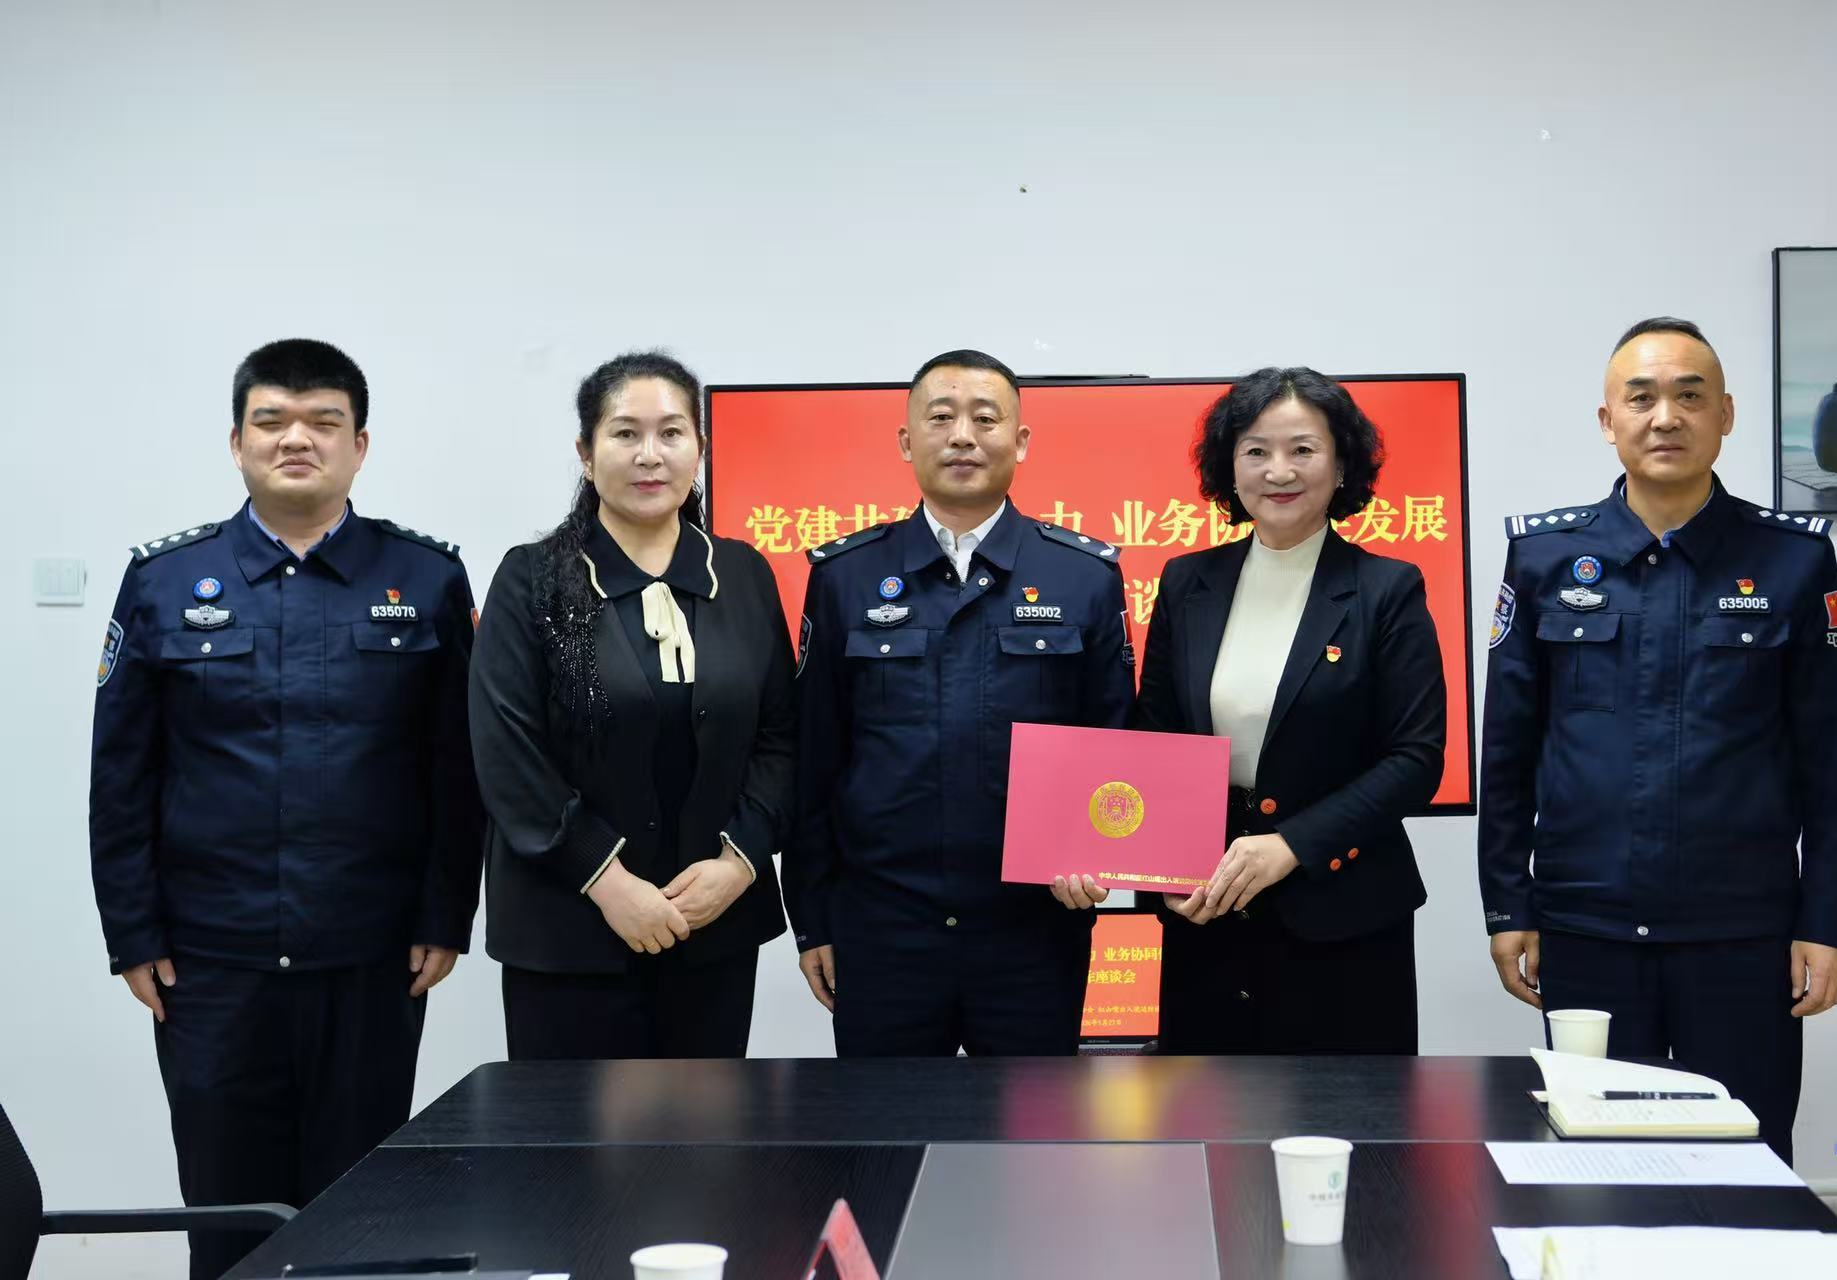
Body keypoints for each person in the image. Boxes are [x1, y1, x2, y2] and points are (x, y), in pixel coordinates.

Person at [88, 338, 480, 1280]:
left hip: (371, 957)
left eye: (323, 422)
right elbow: (121, 774)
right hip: (210, 965)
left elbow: (457, 770)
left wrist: (444, 915)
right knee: (228, 1213)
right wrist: (133, 934)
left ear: (360, 445)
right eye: (271, 421)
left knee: (360, 1216)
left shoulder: (426, 578)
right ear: (237, 442)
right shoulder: (164, 581)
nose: (295, 439)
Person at [1475, 316, 1837, 1163]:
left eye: (1690, 397)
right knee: (1596, 1167)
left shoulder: (1793, 560)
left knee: (1748, 1165)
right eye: (1641, 397)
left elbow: (1835, 762)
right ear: (1607, 419)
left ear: (1726, 415)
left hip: (1744, 935)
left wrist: (1829, 922)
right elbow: (1507, 750)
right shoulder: (1544, 558)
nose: (1666, 417)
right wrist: (1508, 904)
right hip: (1586, 930)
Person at [785, 348, 1135, 1056]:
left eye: (986, 419)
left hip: (1033, 931)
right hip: (883, 930)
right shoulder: (846, 576)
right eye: (941, 418)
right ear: (907, 440)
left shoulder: (1083, 575)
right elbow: (814, 758)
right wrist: (813, 919)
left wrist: (1096, 854)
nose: (963, 437)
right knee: (885, 1125)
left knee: (1031, 1127)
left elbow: (1116, 740)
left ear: (1021, 440)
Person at [470, 351, 794, 1060]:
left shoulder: (743, 573)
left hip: (713, 928)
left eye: (672, 433)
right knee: (571, 1133)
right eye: (625, 434)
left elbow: (781, 736)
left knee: (707, 1130)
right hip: (568, 930)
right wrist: (607, 880)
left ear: (699, 449)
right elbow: (507, 754)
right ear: (586, 454)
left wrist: (739, 863)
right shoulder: (532, 579)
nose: (650, 454)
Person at [1134, 367, 1446, 1054]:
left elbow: (1415, 760)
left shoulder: (1386, 589)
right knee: (1208, 1110)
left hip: (1343, 912)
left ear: (1342, 466)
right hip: (1208, 906)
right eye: (1256, 450)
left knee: (1349, 1114)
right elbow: (1155, 739)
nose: (1279, 471)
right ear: (1230, 467)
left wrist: (1292, 845)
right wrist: (1161, 872)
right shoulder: (1187, 582)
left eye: (1303, 449)